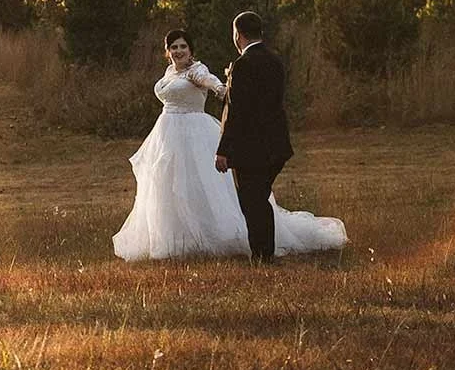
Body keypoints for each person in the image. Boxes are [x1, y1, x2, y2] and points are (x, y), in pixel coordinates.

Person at [112, 19, 346, 263]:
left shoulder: (196, 71)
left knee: (204, 185)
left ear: (191, 50)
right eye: (174, 47)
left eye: (183, 47)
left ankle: (239, 242)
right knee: (168, 185)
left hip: (193, 132)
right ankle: (176, 238)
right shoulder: (170, 72)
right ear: (167, 52)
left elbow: (217, 86)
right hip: (167, 134)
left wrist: (225, 90)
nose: (178, 51)